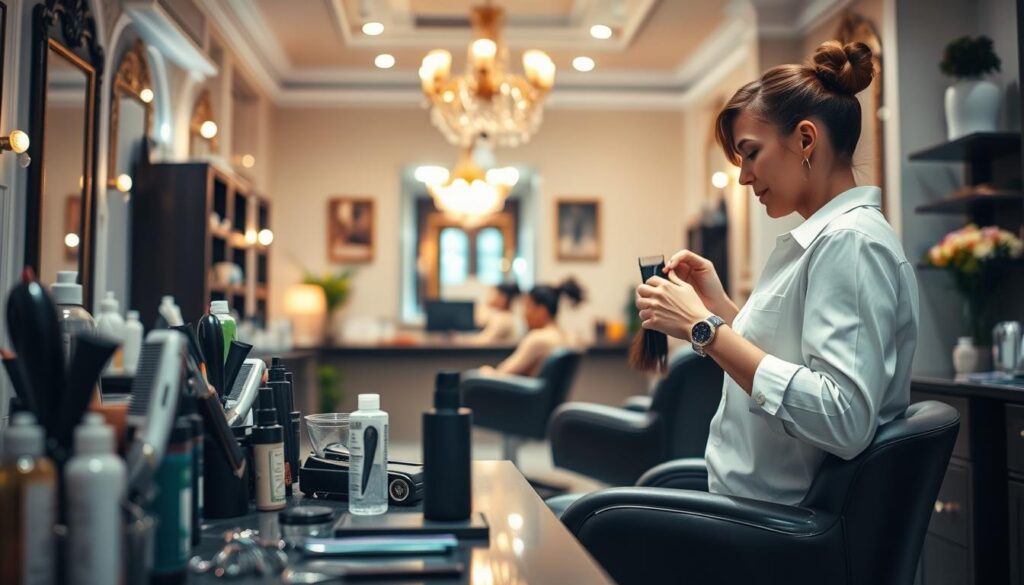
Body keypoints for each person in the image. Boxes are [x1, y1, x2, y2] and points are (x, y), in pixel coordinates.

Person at [635, 40, 918, 505]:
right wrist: (719, 309)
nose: (743, 176)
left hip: (778, 527)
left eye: (750, 153)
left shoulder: (850, 243)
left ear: (805, 140)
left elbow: (842, 418)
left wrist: (704, 329)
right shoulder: (824, 242)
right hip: (752, 508)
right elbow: (793, 361)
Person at [479, 278, 585, 377]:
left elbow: (501, 373)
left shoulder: (537, 339)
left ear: (542, 310)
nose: (524, 315)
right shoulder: (571, 339)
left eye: (527, 307)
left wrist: (485, 372)